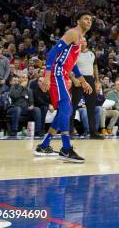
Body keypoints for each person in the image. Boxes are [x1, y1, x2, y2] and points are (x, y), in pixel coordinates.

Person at [35, 12, 93, 162]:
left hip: (63, 74)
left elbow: (73, 65)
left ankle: (44, 145)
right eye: (86, 18)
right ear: (78, 20)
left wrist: (83, 81)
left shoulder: (80, 40)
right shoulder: (73, 33)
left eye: (91, 19)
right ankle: (66, 149)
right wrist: (47, 76)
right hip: (57, 73)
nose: (89, 21)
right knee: (66, 109)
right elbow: (52, 53)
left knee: (63, 111)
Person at [71, 39, 104, 139]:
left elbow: (95, 67)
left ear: (86, 43)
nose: (82, 43)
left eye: (84, 41)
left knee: (91, 107)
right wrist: (73, 79)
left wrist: (97, 80)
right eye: (80, 41)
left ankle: (93, 133)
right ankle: (69, 131)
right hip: (79, 80)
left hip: (90, 79)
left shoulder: (92, 53)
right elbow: (68, 67)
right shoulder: (74, 53)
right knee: (73, 106)